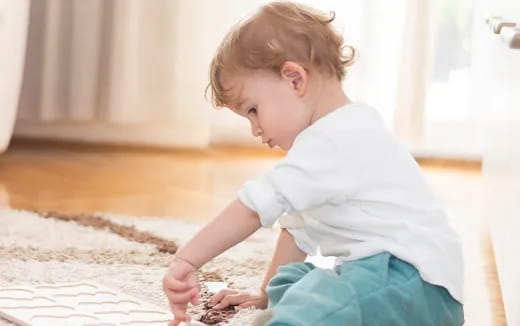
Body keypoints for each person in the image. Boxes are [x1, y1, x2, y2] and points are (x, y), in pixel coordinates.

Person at [162, 2, 464, 325]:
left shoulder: (334, 139)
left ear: (295, 80)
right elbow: (298, 229)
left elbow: (252, 208)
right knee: (293, 281)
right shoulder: (339, 132)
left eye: (253, 110)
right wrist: (265, 294)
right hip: (410, 287)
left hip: (409, 282)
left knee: (320, 301)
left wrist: (188, 258)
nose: (255, 130)